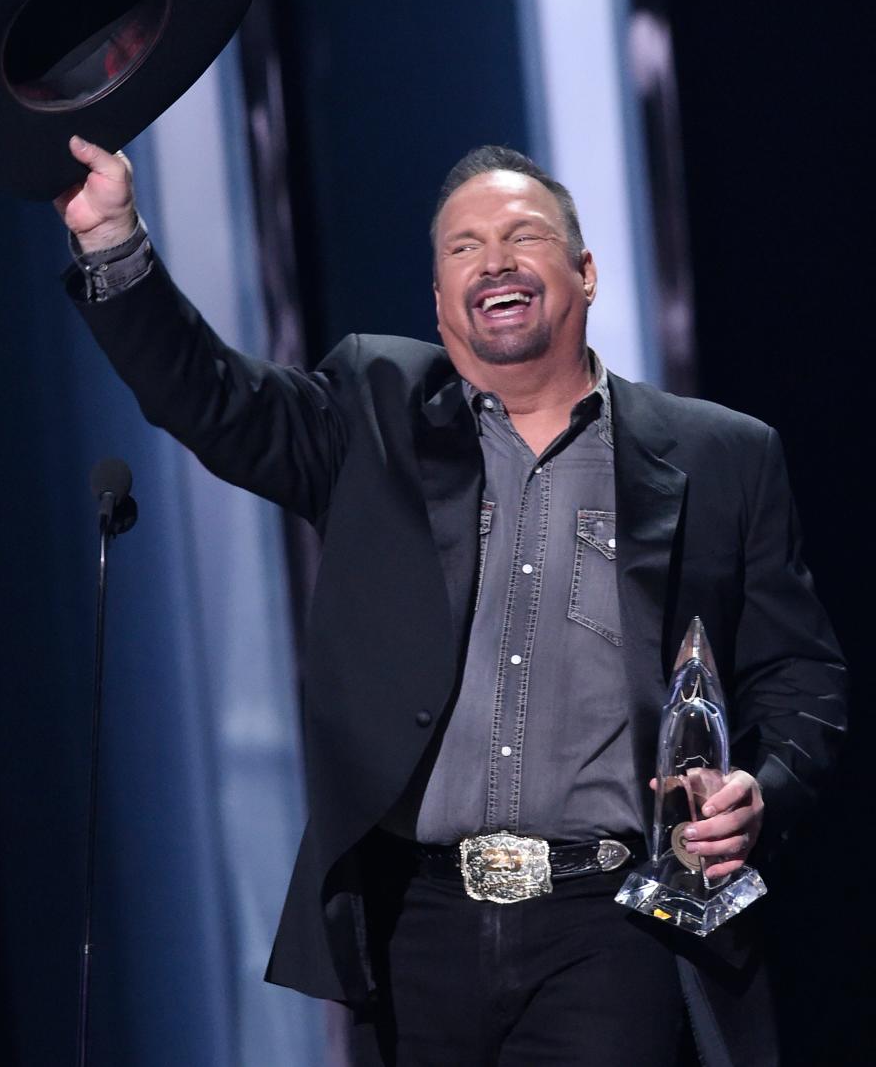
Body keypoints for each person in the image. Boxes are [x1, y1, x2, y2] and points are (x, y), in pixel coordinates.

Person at [56, 136, 846, 1066]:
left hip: (612, 926)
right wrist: (114, 239)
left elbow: (802, 679)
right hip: (415, 929)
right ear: (440, 301)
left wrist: (766, 788)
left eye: (523, 236)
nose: (494, 260)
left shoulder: (721, 456)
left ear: (586, 273)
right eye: (463, 246)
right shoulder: (371, 410)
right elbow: (214, 398)